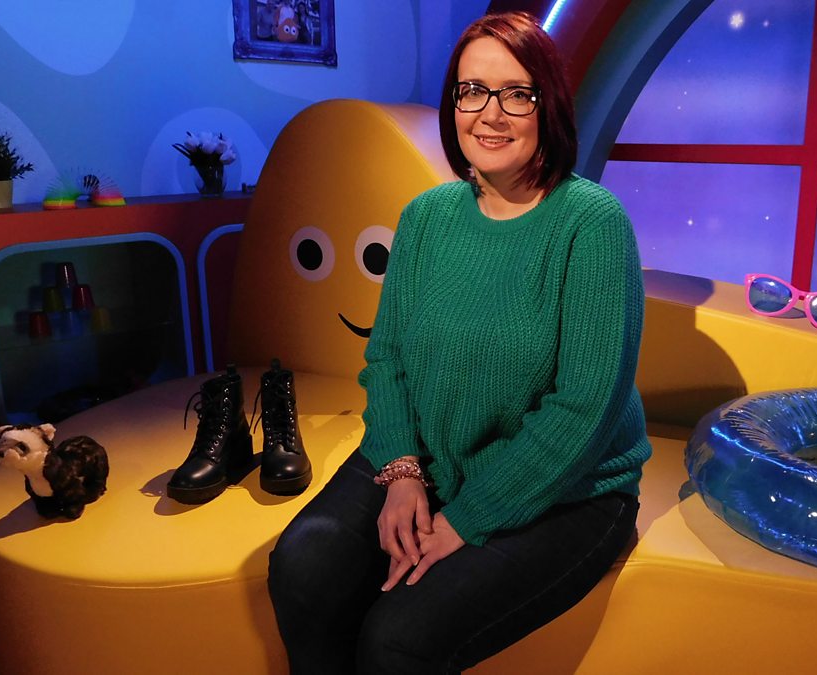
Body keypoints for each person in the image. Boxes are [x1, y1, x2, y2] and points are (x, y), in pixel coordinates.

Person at [267, 11, 651, 674]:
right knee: (303, 567)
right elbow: (387, 359)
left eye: (516, 93)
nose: (490, 113)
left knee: (397, 638)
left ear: (548, 104)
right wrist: (401, 473)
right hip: (434, 458)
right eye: (472, 90)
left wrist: (466, 519)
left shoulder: (591, 223)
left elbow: (583, 410)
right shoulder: (425, 217)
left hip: (572, 487)